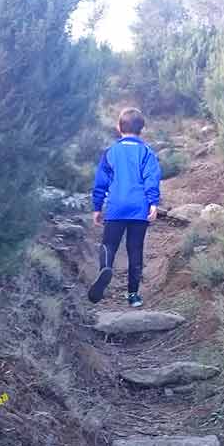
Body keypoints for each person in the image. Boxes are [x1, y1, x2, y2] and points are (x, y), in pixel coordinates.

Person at [89, 107, 161, 306]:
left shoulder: (110, 152)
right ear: (142, 129)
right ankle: (133, 295)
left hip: (116, 207)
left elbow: (101, 182)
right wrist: (153, 203)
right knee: (135, 249)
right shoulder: (147, 152)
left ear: (118, 127)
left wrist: (97, 207)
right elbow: (151, 179)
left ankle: (105, 268)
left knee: (109, 244)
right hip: (139, 208)